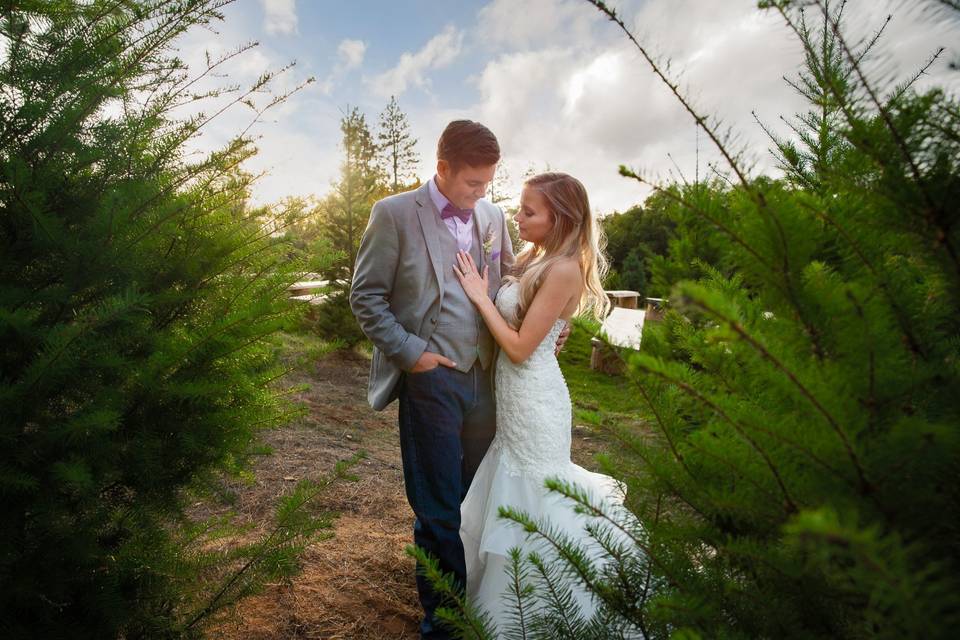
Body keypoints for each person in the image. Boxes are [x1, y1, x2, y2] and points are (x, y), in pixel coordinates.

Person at [350, 121, 567, 639]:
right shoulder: (394, 213)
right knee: (438, 507)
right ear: (443, 168)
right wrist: (413, 354)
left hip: (490, 382)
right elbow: (366, 297)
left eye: (488, 184)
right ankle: (442, 621)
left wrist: (551, 325)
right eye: (472, 183)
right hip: (432, 382)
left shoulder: (492, 216)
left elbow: (515, 281)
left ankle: (478, 603)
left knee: (479, 498)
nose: (481, 195)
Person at [454, 172, 628, 632]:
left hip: (536, 399)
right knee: (514, 485)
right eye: (520, 207)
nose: (519, 216)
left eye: (530, 211)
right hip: (515, 396)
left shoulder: (564, 268)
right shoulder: (537, 257)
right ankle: (510, 597)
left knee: (534, 493)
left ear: (560, 218)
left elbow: (518, 347)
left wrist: (478, 296)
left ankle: (540, 608)